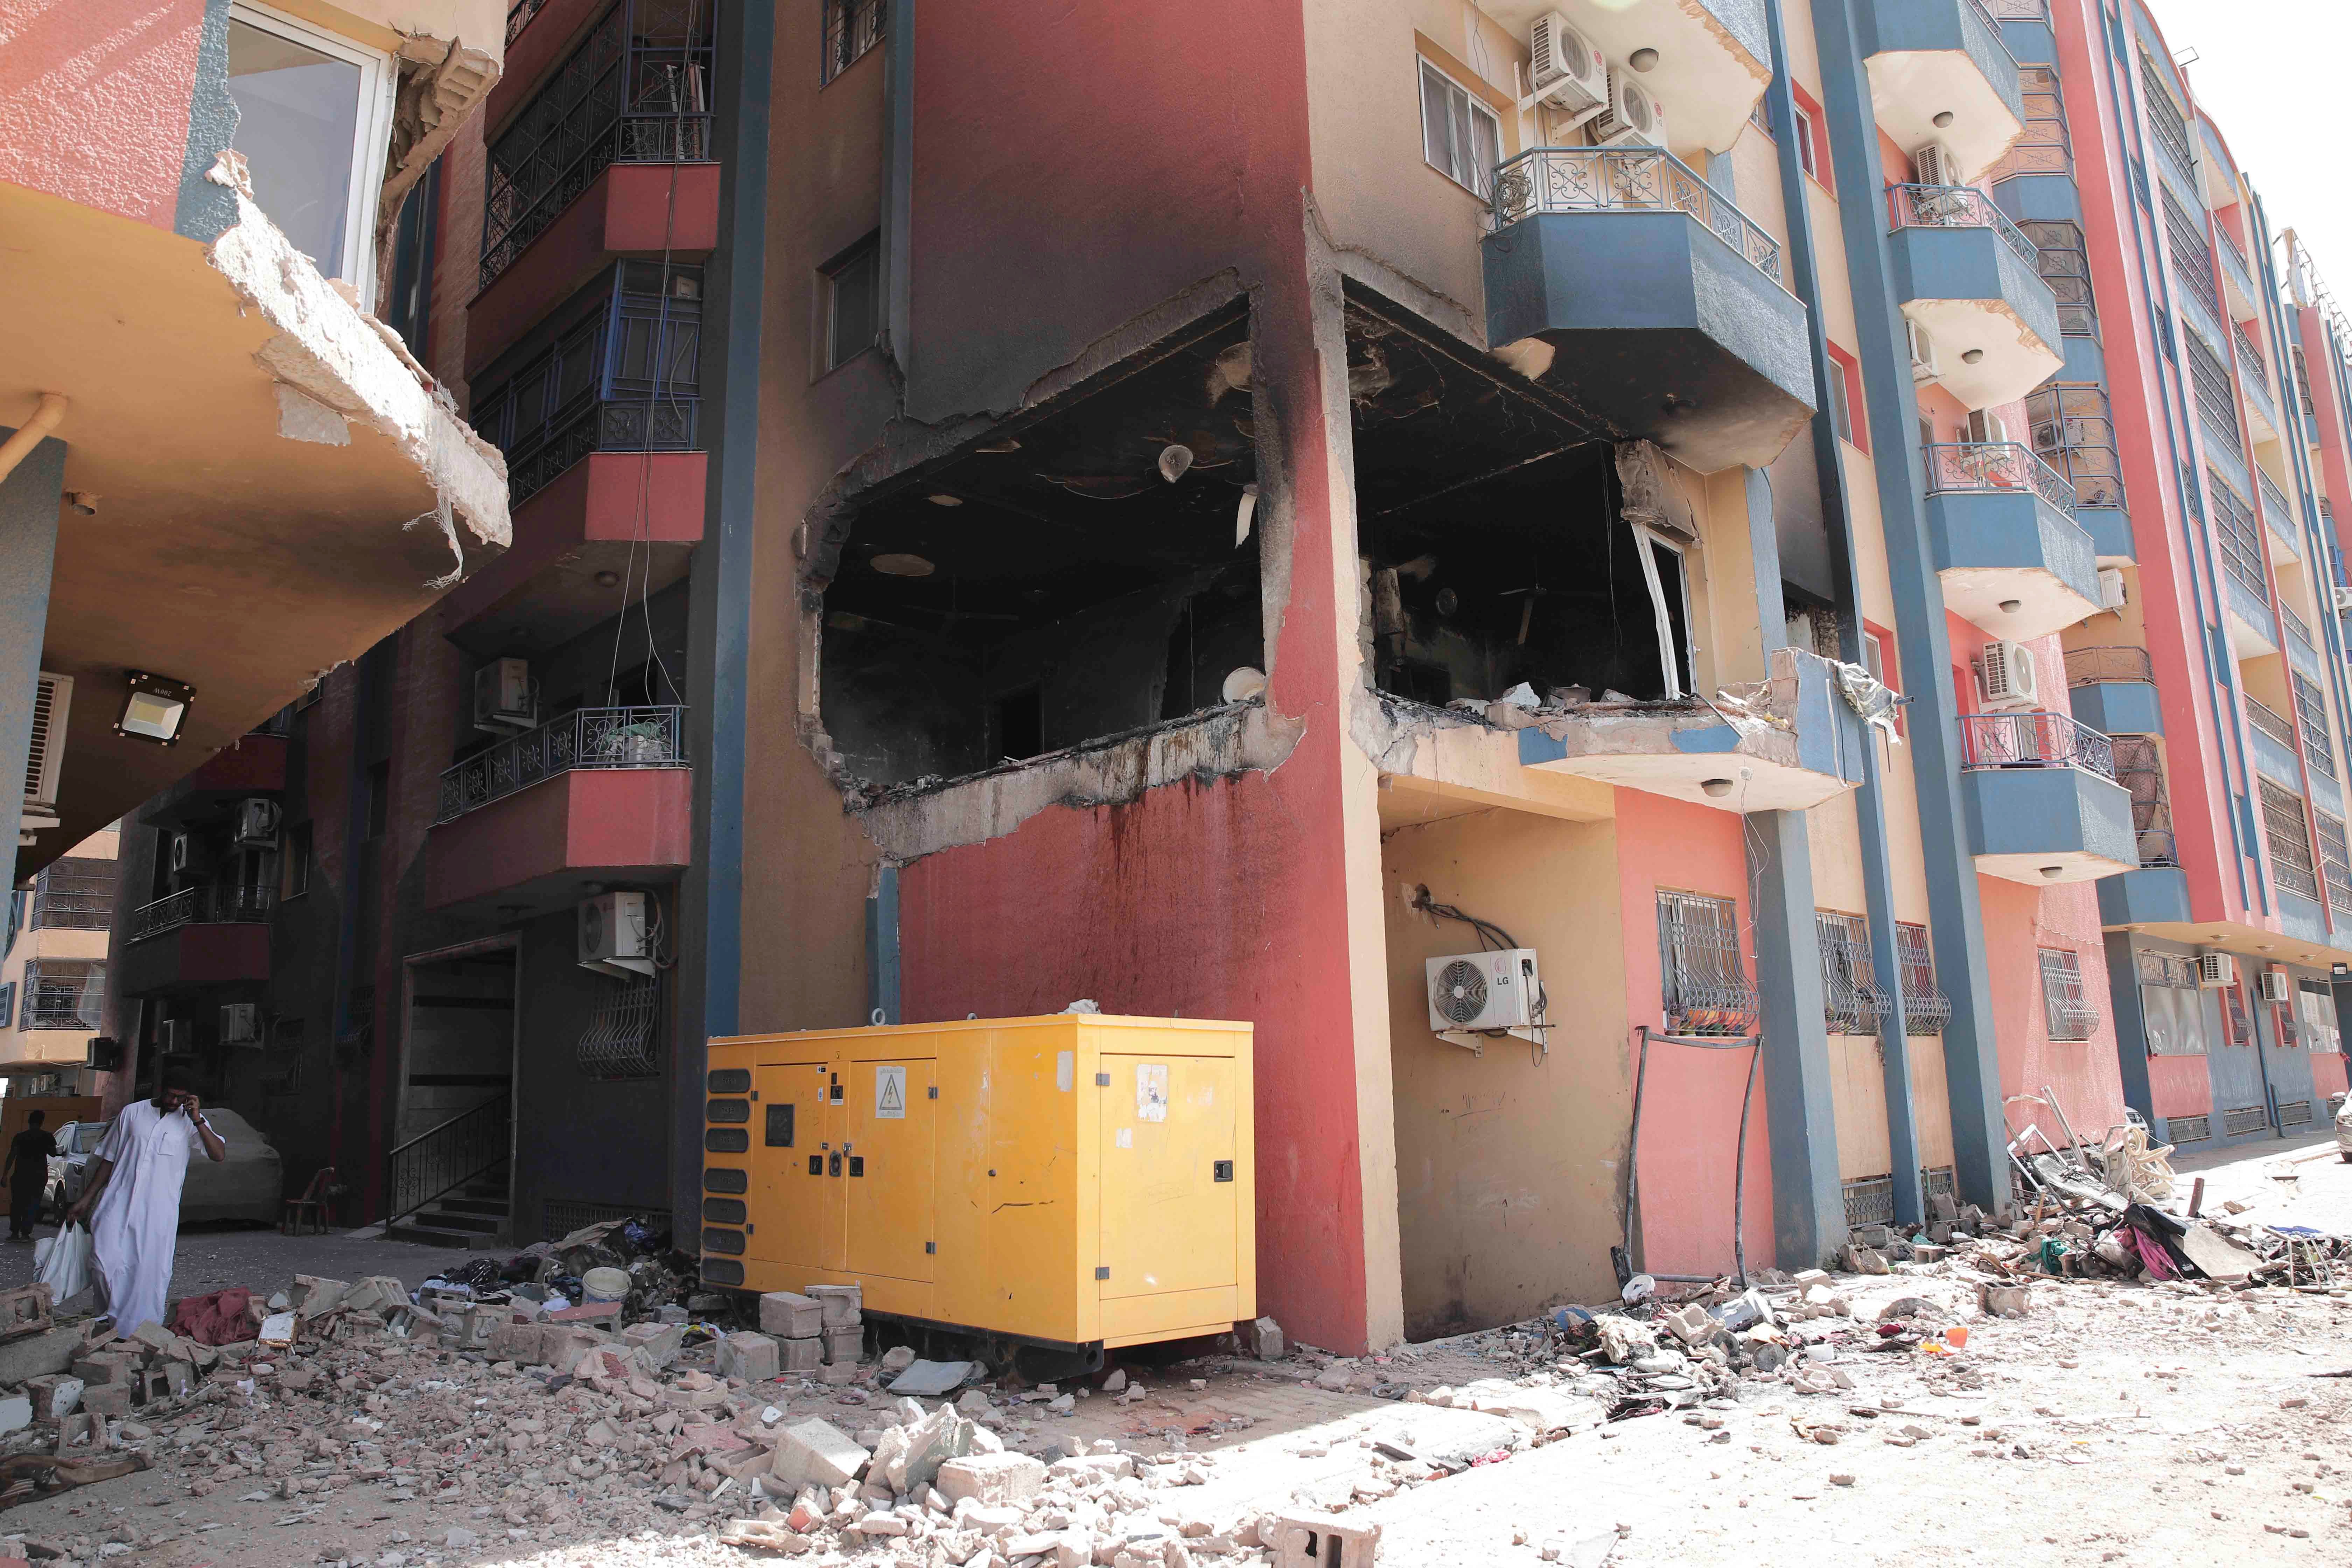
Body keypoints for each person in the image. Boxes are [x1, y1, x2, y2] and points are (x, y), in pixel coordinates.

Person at [64, 1071, 226, 1332]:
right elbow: (109, 1159)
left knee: (146, 1272)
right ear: (161, 1089)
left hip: (158, 1210)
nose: (174, 1102)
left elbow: (218, 1154)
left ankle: (137, 1331)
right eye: (171, 1095)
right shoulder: (132, 1113)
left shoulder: (190, 1122)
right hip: (117, 1200)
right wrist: (86, 1199)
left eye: (181, 1098)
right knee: (103, 1261)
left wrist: (197, 1120)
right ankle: (112, 1316)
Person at [1, 1111, 57, 1240]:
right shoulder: (47, 1137)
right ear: (42, 1122)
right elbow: (53, 1154)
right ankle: (26, 1234)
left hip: (20, 1176)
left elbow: (11, 1156)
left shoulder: (20, 1137)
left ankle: (15, 1233)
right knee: (33, 1204)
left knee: (17, 1204)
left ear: (29, 1121)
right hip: (38, 1177)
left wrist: (5, 1175)